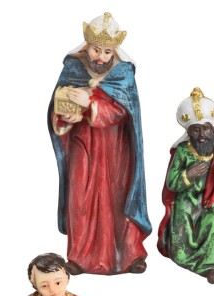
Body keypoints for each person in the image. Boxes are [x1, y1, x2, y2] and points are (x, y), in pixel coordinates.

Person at [48, 12, 151, 276]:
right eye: (96, 50)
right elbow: (58, 106)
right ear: (87, 46)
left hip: (116, 147)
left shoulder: (123, 72)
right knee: (80, 196)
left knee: (119, 196)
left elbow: (125, 111)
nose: (101, 58)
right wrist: (67, 116)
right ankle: (79, 256)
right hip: (83, 143)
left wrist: (90, 104)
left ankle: (129, 255)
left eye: (107, 52)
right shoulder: (73, 67)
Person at [157, 88, 214, 284]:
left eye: (205, 129)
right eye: (196, 130)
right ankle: (184, 257)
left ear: (213, 130)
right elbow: (171, 182)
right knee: (182, 223)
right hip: (186, 200)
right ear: (188, 132)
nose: (201, 134)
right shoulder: (182, 151)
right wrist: (188, 174)